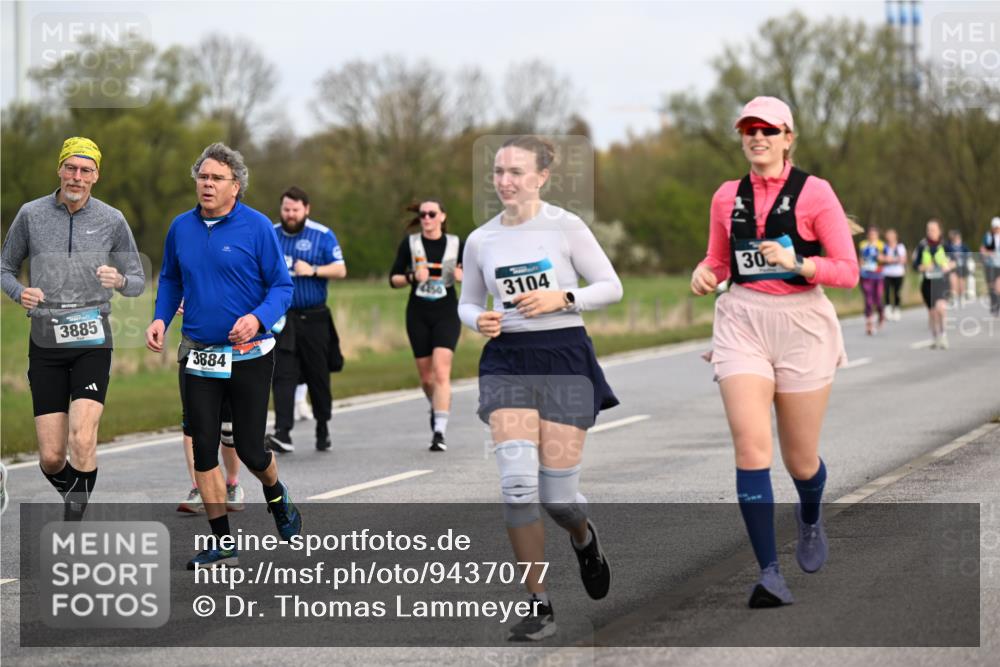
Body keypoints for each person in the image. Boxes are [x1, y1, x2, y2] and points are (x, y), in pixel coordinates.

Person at [690, 97, 859, 608]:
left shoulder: (815, 193)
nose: (757, 137)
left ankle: (809, 515)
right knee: (750, 448)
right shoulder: (726, 196)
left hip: (802, 323)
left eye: (768, 129)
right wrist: (705, 273)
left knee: (800, 461)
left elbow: (847, 271)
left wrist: (798, 262)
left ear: (788, 137)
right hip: (742, 320)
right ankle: (769, 574)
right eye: (749, 130)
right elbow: (719, 259)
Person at [459, 135, 622, 640]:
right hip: (506, 360)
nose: (504, 181)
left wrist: (563, 298)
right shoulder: (481, 239)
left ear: (542, 177)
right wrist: (477, 320)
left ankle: (584, 536)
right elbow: (468, 301)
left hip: (564, 358)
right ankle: (539, 604)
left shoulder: (565, 226)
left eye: (516, 172)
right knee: (516, 484)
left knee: (558, 499)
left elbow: (611, 286)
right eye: (498, 171)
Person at [145, 143, 299, 569]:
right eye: (202, 176)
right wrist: (160, 319)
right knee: (203, 448)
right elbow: (171, 280)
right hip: (198, 355)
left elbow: (282, 287)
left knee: (250, 449)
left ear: (236, 186)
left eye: (217, 178)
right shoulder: (181, 227)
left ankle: (276, 493)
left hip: (250, 354)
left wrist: (257, 318)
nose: (207, 184)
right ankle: (222, 542)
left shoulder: (257, 227)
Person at [1, 137, 145, 520]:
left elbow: (137, 280)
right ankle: (78, 498)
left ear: (96, 176)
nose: (77, 176)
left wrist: (119, 280)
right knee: (51, 458)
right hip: (45, 340)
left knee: (82, 438)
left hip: (92, 338)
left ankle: (74, 526)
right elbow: (5, 268)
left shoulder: (112, 219)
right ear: (59, 170)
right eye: (71, 168)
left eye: (85, 170)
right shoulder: (31, 214)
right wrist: (20, 293)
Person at [265, 186, 346, 453]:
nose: (290, 214)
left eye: (295, 210)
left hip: (314, 317)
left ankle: (323, 425)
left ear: (306, 209)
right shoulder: (271, 234)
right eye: (286, 209)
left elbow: (340, 269)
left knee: (317, 374)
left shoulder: (322, 235)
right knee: (282, 374)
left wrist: (313, 269)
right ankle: (283, 432)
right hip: (283, 319)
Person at [389, 200, 464, 451]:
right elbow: (393, 279)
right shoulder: (410, 244)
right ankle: (437, 406)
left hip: (446, 313)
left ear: (442, 216)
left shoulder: (456, 244)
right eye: (423, 215)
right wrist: (412, 277)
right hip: (418, 313)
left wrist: (462, 276)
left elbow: (476, 275)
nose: (427, 218)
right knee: (426, 378)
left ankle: (439, 432)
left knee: (441, 371)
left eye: (432, 214)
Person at [174, 302, 245, 514]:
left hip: (231, 349)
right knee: (192, 423)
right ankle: (198, 487)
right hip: (194, 349)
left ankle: (232, 484)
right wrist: (177, 300)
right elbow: (172, 287)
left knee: (228, 426)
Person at [912, 219, 955, 349]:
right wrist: (925, 267)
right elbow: (915, 265)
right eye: (928, 230)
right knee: (932, 313)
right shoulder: (922, 246)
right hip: (927, 283)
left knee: (941, 308)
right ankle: (935, 337)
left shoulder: (946, 245)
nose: (930, 232)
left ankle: (944, 335)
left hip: (942, 282)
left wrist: (947, 266)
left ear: (939, 231)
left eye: (933, 230)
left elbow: (955, 261)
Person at [858, 226, 886, 335]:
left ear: (877, 235)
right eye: (870, 234)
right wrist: (859, 266)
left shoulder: (881, 245)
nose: (872, 236)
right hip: (866, 275)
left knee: (878, 299)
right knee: (868, 299)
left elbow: (887, 258)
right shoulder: (863, 245)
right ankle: (869, 324)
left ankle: (881, 314)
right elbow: (860, 259)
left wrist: (881, 258)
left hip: (878, 276)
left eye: (874, 234)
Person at [882, 228, 907, 321]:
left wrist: (891, 259)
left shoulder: (900, 247)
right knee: (887, 292)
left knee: (897, 292)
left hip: (898, 273)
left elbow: (903, 259)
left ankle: (896, 309)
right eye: (888, 235)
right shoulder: (884, 247)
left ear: (895, 236)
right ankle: (887, 310)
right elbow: (880, 258)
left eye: (891, 235)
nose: (890, 237)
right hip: (887, 273)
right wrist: (888, 259)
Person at [979, 217, 1000, 317]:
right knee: (991, 286)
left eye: (998, 227)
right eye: (995, 227)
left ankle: (997, 305)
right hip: (990, 265)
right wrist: (986, 253)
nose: (996, 229)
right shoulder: (988, 236)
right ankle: (993, 304)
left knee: (998, 286)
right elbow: (982, 249)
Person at [946, 229, 971, 307]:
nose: (957, 239)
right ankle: (954, 298)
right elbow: (946, 255)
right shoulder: (949, 246)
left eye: (958, 238)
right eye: (955, 238)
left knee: (961, 283)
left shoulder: (963, 246)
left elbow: (968, 254)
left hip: (962, 267)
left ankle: (962, 297)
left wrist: (964, 259)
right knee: (953, 282)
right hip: (953, 267)